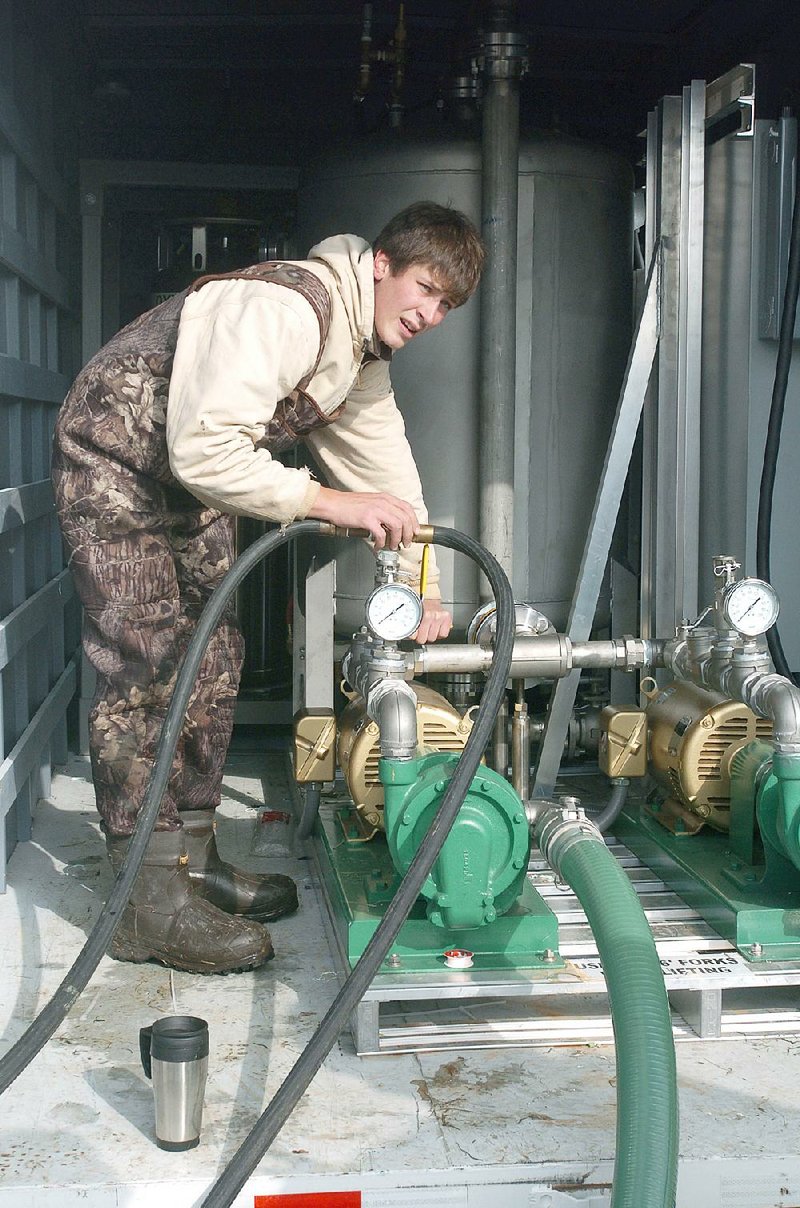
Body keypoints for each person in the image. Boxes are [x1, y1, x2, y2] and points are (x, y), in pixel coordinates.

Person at [51, 201, 486, 975]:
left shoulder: (359, 354)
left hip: (188, 484)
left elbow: (389, 477)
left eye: (447, 305)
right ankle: (144, 905)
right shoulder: (286, 308)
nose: (431, 314)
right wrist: (330, 503)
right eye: (425, 288)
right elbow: (205, 448)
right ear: (382, 263)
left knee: (214, 658)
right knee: (147, 664)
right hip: (119, 463)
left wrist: (426, 586)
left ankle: (192, 857)